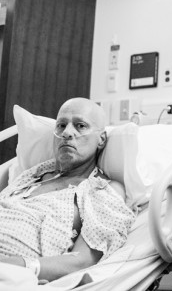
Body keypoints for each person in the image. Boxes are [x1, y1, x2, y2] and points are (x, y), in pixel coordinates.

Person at [0, 98, 136, 283]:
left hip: (12, 269)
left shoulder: (102, 189)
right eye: (61, 126)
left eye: (80, 126)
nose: (67, 133)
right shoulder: (34, 174)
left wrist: (21, 265)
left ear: (101, 139)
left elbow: (82, 261)